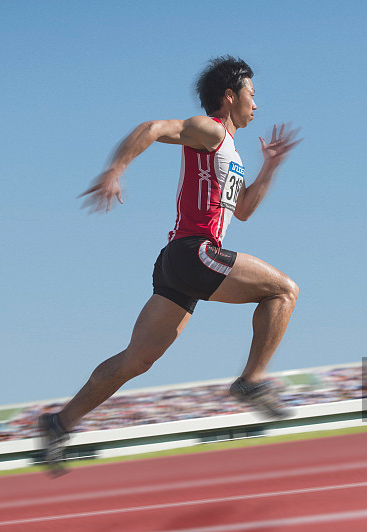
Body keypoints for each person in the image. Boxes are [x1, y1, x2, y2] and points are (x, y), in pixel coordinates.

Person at [39, 55, 301, 474]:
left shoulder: (230, 151)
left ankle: (58, 423)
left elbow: (246, 209)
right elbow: (153, 129)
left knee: (136, 360)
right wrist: (115, 169)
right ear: (229, 96)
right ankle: (251, 382)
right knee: (285, 290)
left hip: (178, 264)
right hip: (194, 251)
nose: (258, 104)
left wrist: (269, 166)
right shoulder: (210, 129)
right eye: (253, 94)